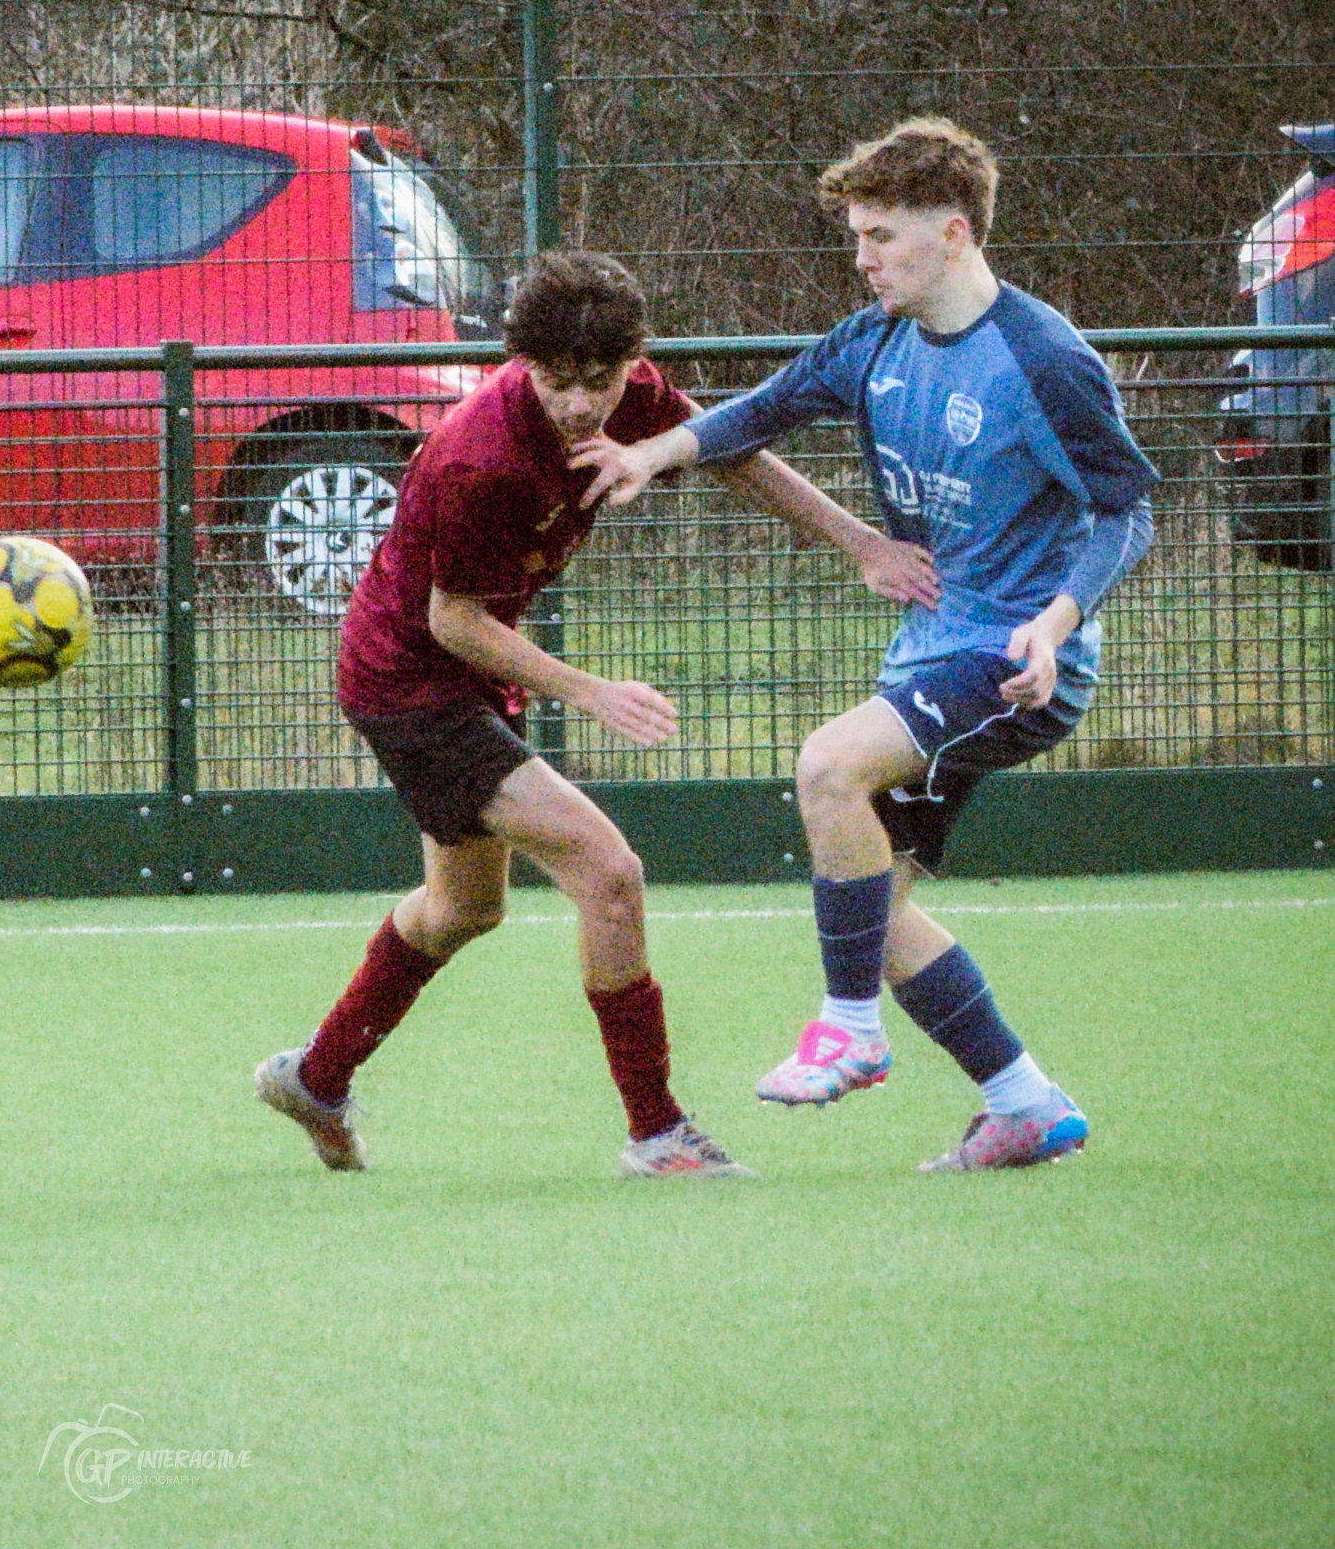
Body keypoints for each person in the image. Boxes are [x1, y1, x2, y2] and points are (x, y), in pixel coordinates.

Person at [254, 251, 940, 1178]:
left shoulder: (632, 392)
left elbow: (726, 447)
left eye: (600, 382)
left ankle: (319, 1078)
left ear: (631, 363)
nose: (579, 405)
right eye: (554, 382)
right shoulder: (481, 459)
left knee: (463, 908)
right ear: (522, 364)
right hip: (412, 681)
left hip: (460, 671)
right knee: (610, 873)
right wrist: (588, 691)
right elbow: (450, 619)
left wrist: (858, 540)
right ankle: (656, 1132)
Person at [575, 116, 1157, 1171]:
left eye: (881, 235)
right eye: (857, 234)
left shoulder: (1043, 358)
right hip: (935, 651)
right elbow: (764, 409)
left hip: (1021, 662)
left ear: (954, 232)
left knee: (827, 764)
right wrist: (648, 452)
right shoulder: (873, 342)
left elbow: (1125, 512)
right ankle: (1022, 1102)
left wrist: (1058, 617)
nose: (862, 256)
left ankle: (845, 1032)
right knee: (874, 911)